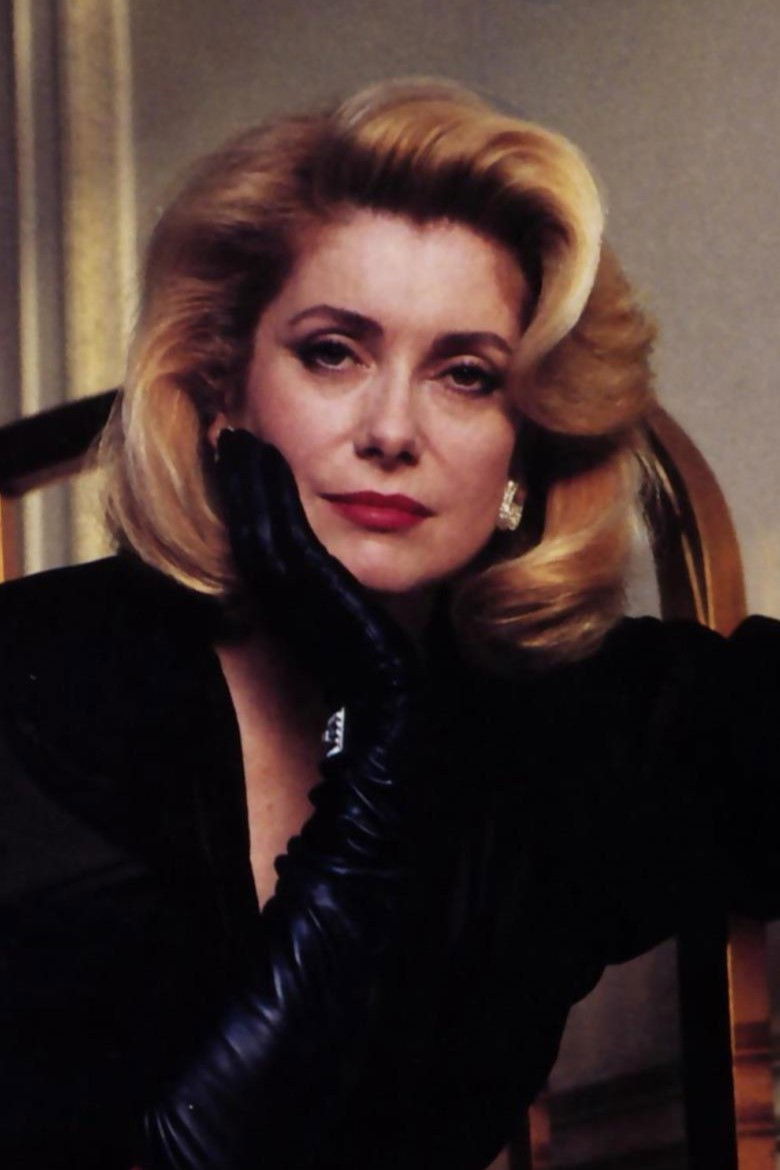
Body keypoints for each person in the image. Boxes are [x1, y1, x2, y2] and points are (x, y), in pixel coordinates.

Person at [1, 77, 778, 1170]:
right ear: (223, 392)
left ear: (526, 444)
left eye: (466, 376)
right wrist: (370, 749)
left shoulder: (575, 722)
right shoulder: (44, 686)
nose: (393, 429)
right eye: (333, 351)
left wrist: (388, 708)